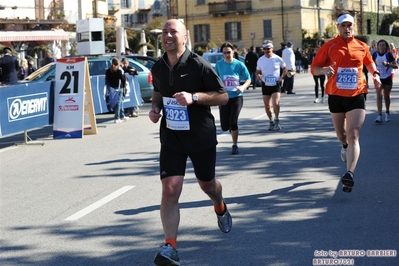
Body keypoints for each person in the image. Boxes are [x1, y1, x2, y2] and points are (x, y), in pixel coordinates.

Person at [149, 19, 231, 266]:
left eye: (173, 31)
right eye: (165, 32)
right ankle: (170, 247)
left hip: (200, 136)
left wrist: (194, 97)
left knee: (207, 185)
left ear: (184, 37)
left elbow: (224, 96)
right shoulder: (159, 66)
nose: (168, 35)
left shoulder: (199, 65)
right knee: (170, 189)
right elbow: (158, 93)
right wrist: (155, 108)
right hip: (172, 137)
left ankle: (220, 205)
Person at [311, 11, 382, 193]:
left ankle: (349, 173)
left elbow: (370, 62)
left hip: (357, 94)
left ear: (353, 27)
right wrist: (324, 70)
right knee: (342, 135)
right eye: (343, 25)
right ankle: (343, 146)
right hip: (335, 96)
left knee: (354, 134)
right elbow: (314, 68)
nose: (347, 28)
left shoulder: (361, 46)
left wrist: (375, 75)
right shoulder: (329, 46)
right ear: (338, 27)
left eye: (349, 25)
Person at [215, 42, 251, 155]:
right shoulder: (219, 65)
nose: (227, 55)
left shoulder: (239, 64)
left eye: (229, 52)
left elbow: (248, 79)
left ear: (233, 51)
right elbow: (215, 79)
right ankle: (232, 129)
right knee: (225, 126)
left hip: (237, 97)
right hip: (224, 98)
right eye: (224, 53)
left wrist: (243, 87)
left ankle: (235, 144)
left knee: (233, 122)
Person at [255, 40, 287, 131]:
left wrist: (282, 77)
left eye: (268, 48)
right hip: (265, 84)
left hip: (275, 84)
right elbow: (257, 71)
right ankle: (271, 121)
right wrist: (258, 75)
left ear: (272, 48)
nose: (266, 50)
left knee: (276, 103)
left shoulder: (277, 58)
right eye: (264, 49)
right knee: (267, 106)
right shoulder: (260, 60)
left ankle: (276, 118)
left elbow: (285, 68)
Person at [372, 39, 398, 123]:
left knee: (386, 97)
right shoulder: (375, 54)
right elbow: (371, 64)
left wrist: (388, 64)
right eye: (380, 45)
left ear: (386, 46)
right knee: (379, 96)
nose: (382, 47)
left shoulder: (388, 54)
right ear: (378, 46)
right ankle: (379, 115)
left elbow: (396, 66)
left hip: (387, 77)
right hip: (378, 78)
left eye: (383, 45)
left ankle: (387, 112)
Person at [105, 57, 129, 123]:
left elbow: (107, 80)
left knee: (119, 102)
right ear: (118, 63)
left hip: (112, 88)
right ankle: (117, 117)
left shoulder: (108, 71)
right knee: (119, 102)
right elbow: (123, 79)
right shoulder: (119, 70)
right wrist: (124, 87)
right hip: (119, 87)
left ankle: (122, 115)